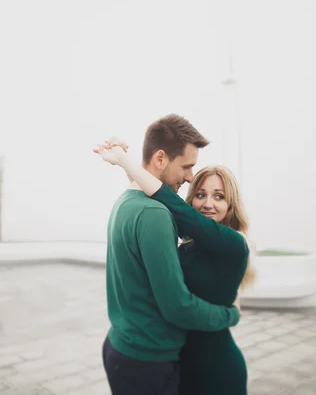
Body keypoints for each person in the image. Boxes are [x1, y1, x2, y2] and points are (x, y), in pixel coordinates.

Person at [95, 114, 244, 395]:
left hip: (121, 345)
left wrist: (125, 164)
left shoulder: (126, 202)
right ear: (161, 159)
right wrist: (229, 315)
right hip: (147, 361)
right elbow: (177, 306)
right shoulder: (154, 214)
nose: (189, 178)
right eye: (186, 167)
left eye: (218, 197)